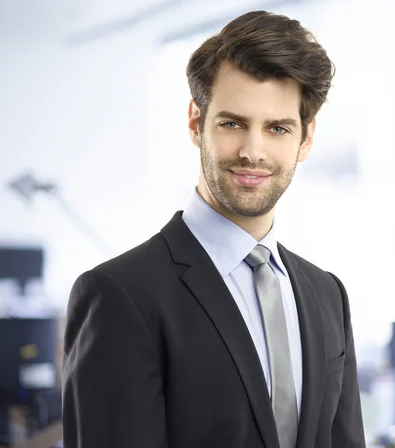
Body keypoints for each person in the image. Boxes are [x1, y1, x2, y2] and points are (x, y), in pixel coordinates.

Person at [62, 10, 365, 448]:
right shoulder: (120, 296)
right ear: (195, 122)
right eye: (232, 123)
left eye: (277, 128)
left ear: (306, 138)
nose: (252, 151)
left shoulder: (327, 295)